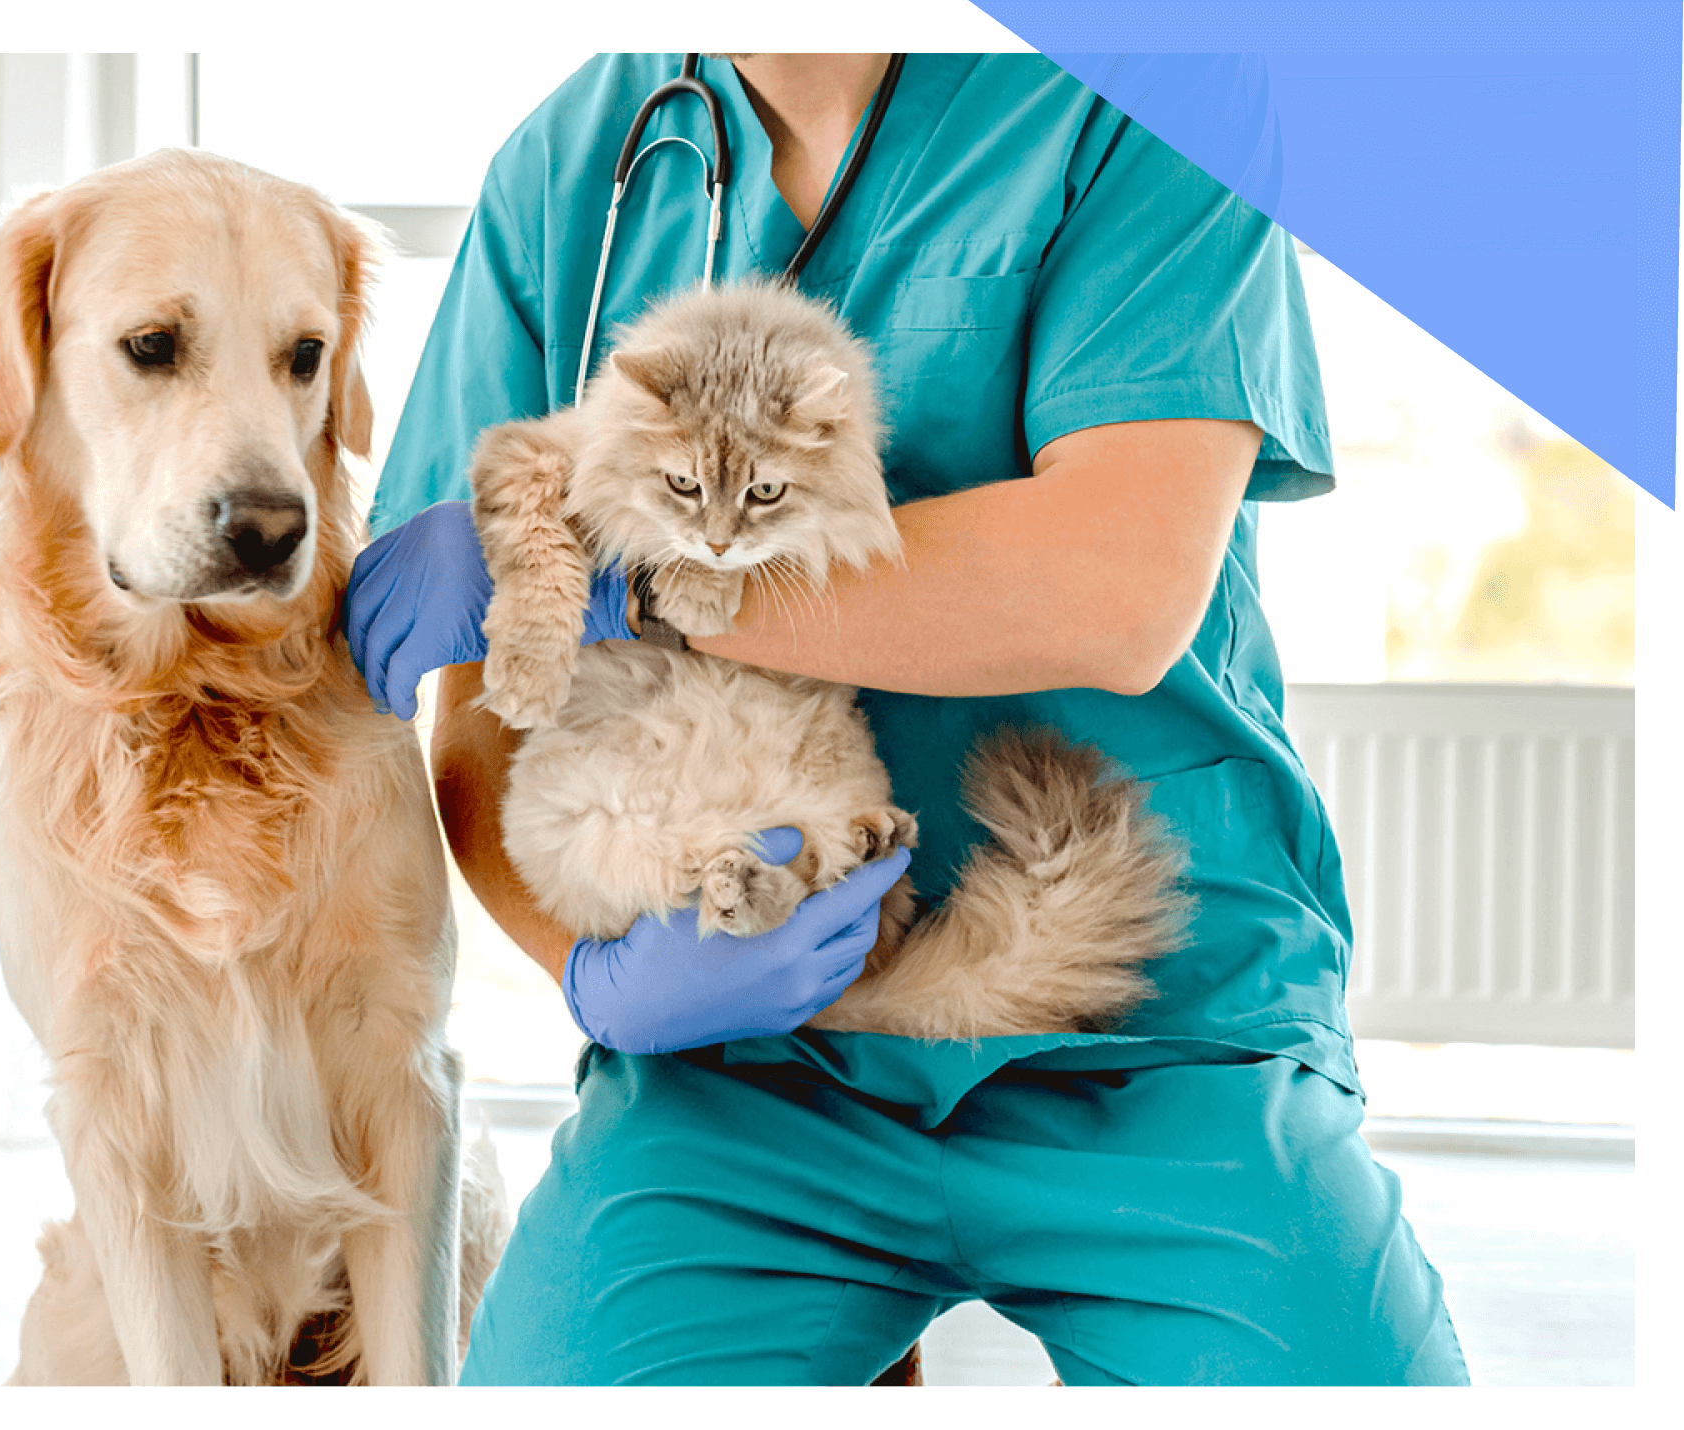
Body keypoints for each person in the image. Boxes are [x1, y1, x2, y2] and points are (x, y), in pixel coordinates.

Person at [346, 52, 1469, 1387]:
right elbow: (482, 712)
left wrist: (636, 582)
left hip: (1151, 1026)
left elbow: (1115, 579)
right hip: (743, 1067)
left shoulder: (1146, 99)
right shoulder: (571, 169)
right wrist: (587, 972)